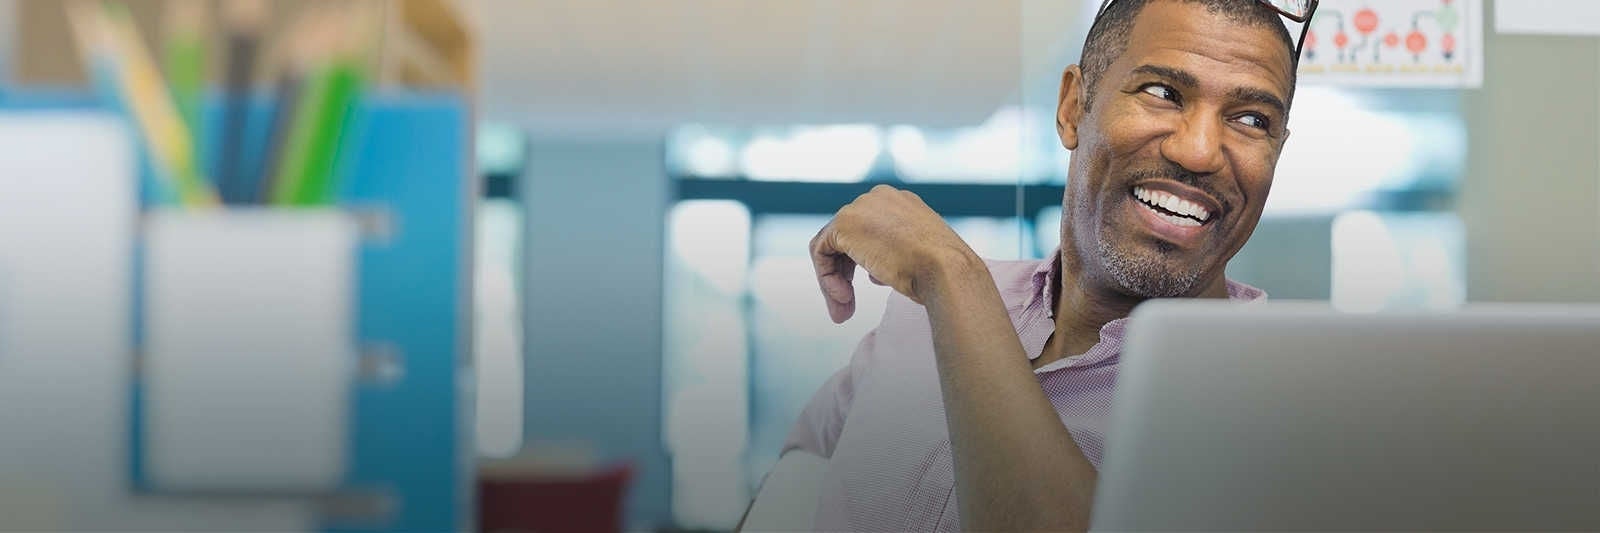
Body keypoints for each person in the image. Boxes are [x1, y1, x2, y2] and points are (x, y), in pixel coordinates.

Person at [771, 0, 1310, 530]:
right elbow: (795, 478)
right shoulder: (915, 319)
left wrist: (954, 278)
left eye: (1250, 119)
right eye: (1163, 93)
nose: (1198, 152)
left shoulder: (1279, 407)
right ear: (1073, 107)